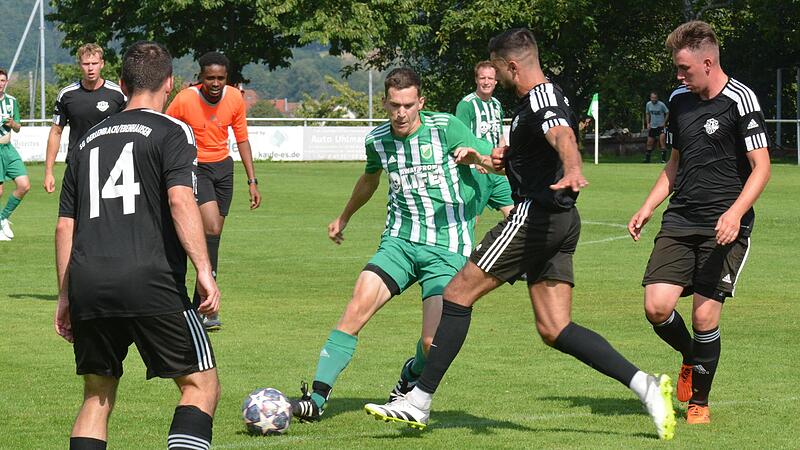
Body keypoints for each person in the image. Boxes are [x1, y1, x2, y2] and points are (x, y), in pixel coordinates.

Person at [366, 28, 676, 441]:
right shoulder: (535, 101)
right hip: (561, 220)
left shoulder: (542, 98)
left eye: (496, 67)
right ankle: (646, 386)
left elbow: (561, 135)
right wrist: (489, 158)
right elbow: (534, 152)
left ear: (511, 66)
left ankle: (418, 401)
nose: (493, 75)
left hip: (536, 218)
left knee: (457, 294)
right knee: (555, 327)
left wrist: (573, 166)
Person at [289, 68, 496, 422]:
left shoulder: (446, 128)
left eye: (408, 105)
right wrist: (344, 217)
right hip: (398, 243)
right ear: (385, 102)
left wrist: (475, 158)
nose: (400, 112)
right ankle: (317, 400)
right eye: (394, 105)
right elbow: (370, 179)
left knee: (433, 345)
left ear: (421, 103)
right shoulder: (378, 139)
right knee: (356, 307)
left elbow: (498, 163)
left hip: (447, 249)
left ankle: (412, 374)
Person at [54, 41, 221, 450]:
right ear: (168, 83)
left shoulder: (88, 140)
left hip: (89, 283)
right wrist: (203, 269)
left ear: (124, 83)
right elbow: (181, 199)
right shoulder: (172, 130)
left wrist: (65, 295)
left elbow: (64, 225)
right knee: (200, 386)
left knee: (97, 396)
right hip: (150, 278)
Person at [628, 21, 770, 425]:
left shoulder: (741, 100)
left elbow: (761, 168)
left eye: (684, 68)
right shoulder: (678, 99)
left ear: (708, 63)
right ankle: (692, 355)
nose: (678, 75)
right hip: (681, 218)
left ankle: (698, 403)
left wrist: (735, 212)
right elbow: (674, 165)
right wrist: (648, 206)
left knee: (705, 316)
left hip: (725, 223)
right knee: (657, 307)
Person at [166, 51, 262, 331]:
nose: (215, 83)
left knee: (213, 235)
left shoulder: (234, 97)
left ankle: (199, 305)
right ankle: (208, 305)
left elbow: (242, 138)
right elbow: (165, 127)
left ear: (227, 78)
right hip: (197, 168)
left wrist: (252, 181)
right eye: (210, 78)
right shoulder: (185, 99)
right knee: (211, 230)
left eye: (220, 78)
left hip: (224, 170)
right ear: (201, 78)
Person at [44, 44, 126, 193]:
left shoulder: (118, 94)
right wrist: (49, 172)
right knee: (72, 214)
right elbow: (56, 132)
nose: (90, 68)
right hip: (78, 163)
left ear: (102, 64)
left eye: (94, 63)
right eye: (86, 64)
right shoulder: (67, 95)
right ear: (79, 65)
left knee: (107, 215)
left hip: (110, 164)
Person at [455, 61, 514, 220]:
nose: (486, 82)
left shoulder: (496, 105)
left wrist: (505, 163)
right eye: (482, 78)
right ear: (476, 80)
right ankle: (467, 246)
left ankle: (509, 245)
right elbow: (460, 138)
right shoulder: (466, 105)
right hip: (476, 170)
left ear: (496, 81)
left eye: (490, 78)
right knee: (472, 219)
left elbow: (499, 136)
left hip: (496, 169)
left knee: (514, 213)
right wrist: (475, 162)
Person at [0, 68, 30, 240]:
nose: (0, 83)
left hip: (8, 149)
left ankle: (3, 218)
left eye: (3, 80)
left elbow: (18, 128)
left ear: (6, 82)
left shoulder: (12, 102)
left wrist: (12, 123)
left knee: (24, 185)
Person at [644, 92, 669, 163]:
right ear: (650, 98)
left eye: (655, 98)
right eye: (652, 98)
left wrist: (664, 122)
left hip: (660, 126)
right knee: (649, 143)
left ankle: (663, 160)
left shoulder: (661, 105)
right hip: (653, 126)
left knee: (662, 142)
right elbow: (647, 113)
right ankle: (647, 160)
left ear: (657, 98)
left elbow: (667, 112)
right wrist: (648, 123)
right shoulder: (648, 104)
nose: (653, 99)